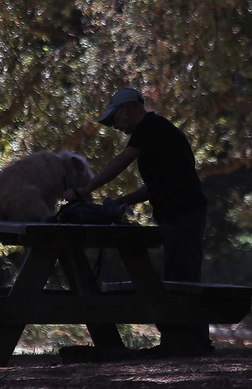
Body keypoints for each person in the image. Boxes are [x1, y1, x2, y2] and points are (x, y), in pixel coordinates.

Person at [71, 87, 212, 355]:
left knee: (183, 276)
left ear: (126, 109)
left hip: (185, 212)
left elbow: (120, 162)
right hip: (179, 212)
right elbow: (155, 186)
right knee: (178, 274)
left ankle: (193, 344)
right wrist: (121, 201)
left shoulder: (149, 127)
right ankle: (181, 342)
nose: (115, 126)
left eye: (114, 118)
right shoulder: (157, 131)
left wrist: (83, 190)